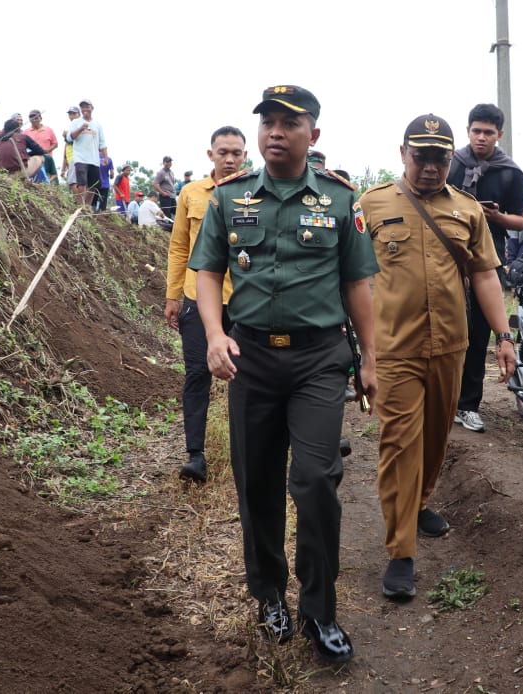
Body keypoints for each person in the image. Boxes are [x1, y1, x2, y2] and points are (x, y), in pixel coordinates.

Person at [188, 84, 378, 665]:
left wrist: (369, 359)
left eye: (289, 123)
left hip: (319, 358)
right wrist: (217, 336)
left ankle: (319, 609)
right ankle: (269, 594)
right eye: (268, 121)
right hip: (251, 357)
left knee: (317, 480)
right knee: (258, 480)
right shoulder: (228, 199)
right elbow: (206, 272)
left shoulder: (343, 202)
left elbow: (357, 285)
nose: (275, 131)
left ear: (312, 135)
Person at [358, 113, 516, 600]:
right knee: (400, 443)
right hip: (394, 347)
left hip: (450, 343)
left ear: (452, 159)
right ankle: (401, 550)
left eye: (439, 158)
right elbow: (354, 278)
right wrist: (357, 348)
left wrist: (504, 335)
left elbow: (486, 276)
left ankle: (420, 501)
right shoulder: (371, 204)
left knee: (434, 435)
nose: (429, 167)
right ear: (403, 154)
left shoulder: (467, 210)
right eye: (420, 156)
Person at [165, 126, 247, 483]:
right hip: (198, 299)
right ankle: (196, 455)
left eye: (236, 153)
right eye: (223, 152)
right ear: (210, 154)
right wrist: (172, 295)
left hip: (246, 301)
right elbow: (180, 245)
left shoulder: (256, 192)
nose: (229, 159)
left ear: (245, 156)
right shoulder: (191, 193)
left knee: (249, 379)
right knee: (197, 375)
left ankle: (246, 449)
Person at [448, 103, 523, 433]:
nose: (481, 138)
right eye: (476, 131)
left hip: (487, 258)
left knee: (479, 333)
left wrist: (492, 216)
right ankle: (440, 399)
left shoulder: (511, 173)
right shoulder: (451, 163)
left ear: (500, 135)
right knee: (444, 327)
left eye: (488, 133)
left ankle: (467, 405)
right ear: (468, 131)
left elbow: (520, 221)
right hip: (448, 256)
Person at [67, 99, 107, 207]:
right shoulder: (76, 123)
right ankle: (81, 206)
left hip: (94, 158)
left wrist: (105, 157)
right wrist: (80, 129)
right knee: (81, 182)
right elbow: (70, 138)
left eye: (87, 107)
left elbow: (102, 142)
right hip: (80, 157)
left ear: (92, 108)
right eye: (83, 107)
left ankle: (87, 206)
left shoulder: (97, 125)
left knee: (94, 184)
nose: (85, 109)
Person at [24, 110, 59, 182]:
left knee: (49, 179)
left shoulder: (48, 130)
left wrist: (47, 150)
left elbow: (55, 144)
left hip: (46, 160)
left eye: (36, 117)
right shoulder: (26, 132)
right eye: (31, 117)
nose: (34, 119)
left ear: (40, 118)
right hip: (32, 161)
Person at [60, 106, 80, 192]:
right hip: (71, 157)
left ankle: (80, 203)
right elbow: (66, 150)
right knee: (74, 181)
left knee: (73, 181)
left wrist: (67, 136)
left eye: (74, 114)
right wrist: (63, 168)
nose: (71, 116)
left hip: (76, 157)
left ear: (79, 114)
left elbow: (78, 140)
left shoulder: (79, 125)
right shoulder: (72, 126)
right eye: (70, 114)